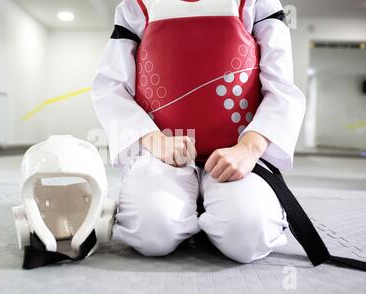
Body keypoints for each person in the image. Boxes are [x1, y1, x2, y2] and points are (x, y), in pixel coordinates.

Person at [92, 0, 306, 263]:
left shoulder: (257, 3)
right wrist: (154, 140)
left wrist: (249, 148)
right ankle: (196, 207)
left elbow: (282, 88)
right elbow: (110, 87)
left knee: (247, 237)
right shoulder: (135, 6)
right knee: (153, 233)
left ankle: (204, 206)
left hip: (237, 152)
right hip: (162, 153)